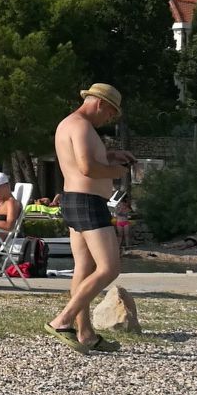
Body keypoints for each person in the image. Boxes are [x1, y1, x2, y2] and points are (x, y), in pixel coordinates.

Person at [46, 84, 134, 354]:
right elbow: (87, 167)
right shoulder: (83, 126)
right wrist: (116, 171)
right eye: (109, 113)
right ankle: (62, 320)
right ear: (100, 104)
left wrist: (110, 155)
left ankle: (85, 333)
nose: (108, 119)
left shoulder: (69, 125)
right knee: (109, 268)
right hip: (87, 203)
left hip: (74, 200)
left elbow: (81, 158)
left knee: (83, 269)